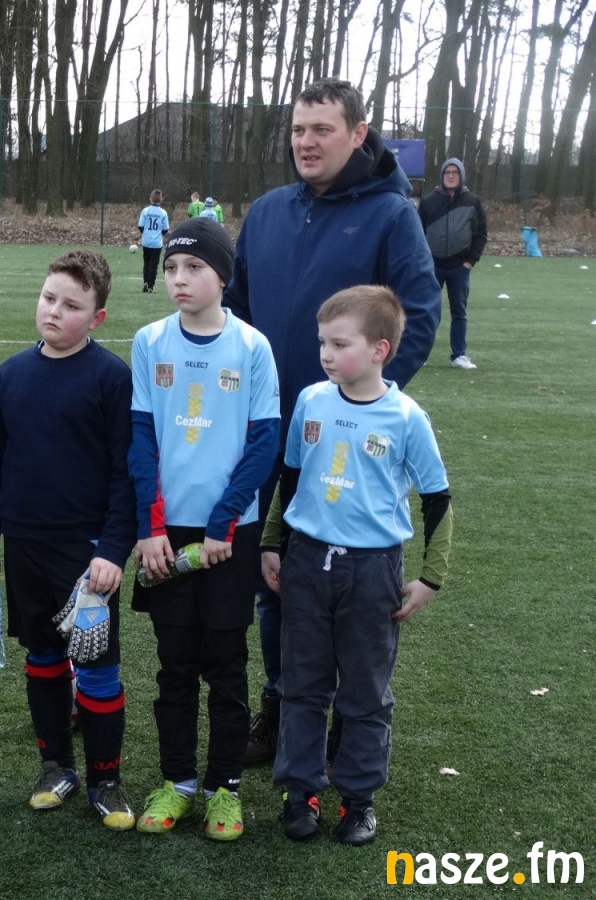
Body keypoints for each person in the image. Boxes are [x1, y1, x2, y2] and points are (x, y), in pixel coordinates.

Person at [222, 77, 441, 766]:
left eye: (322, 129)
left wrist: (361, 405)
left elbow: (417, 316)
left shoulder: (390, 215)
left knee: (352, 590)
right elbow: (236, 315)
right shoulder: (267, 212)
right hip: (269, 437)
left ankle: (350, 720)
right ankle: (282, 710)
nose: (306, 142)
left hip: (343, 447)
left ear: (358, 133)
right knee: (277, 580)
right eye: (298, 129)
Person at [261, 285, 453, 845]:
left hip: (372, 572)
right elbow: (290, 476)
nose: (326, 354)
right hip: (306, 563)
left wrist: (431, 576)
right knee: (301, 685)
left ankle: (358, 799)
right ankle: (301, 792)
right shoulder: (311, 401)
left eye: (339, 344)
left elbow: (438, 498)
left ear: (379, 349)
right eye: (322, 342)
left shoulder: (406, 417)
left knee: (366, 692)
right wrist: (272, 542)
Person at [0, 250, 138, 831]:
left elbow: (124, 474)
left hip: (87, 556)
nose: (54, 312)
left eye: (71, 305)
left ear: (97, 318)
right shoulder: (11, 374)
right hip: (25, 547)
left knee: (95, 666)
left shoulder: (110, 377)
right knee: (42, 658)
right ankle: (56, 768)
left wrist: (112, 550)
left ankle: (106, 779)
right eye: (49, 298)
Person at [128, 218, 280, 841]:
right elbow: (142, 438)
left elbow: (264, 441)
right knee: (173, 665)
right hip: (166, 532)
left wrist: (224, 523)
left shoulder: (252, 347)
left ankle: (224, 788)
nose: (179, 279)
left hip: (229, 534)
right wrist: (150, 527)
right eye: (170, 267)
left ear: (222, 275)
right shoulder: (149, 341)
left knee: (225, 663)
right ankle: (178, 782)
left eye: (193, 267)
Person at [418, 158, 488, 370]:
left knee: (459, 312)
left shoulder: (473, 201)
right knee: (428, 311)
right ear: (442, 176)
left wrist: (470, 261)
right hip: (433, 266)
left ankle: (459, 355)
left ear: (461, 176)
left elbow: (481, 234)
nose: (450, 175)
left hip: (460, 267)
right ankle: (420, 354)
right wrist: (423, 260)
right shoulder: (429, 201)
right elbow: (417, 233)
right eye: (447, 172)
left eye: (454, 172)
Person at [137, 189, 169, 293]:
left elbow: (141, 226)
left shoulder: (145, 211)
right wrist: (158, 234)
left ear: (150, 198)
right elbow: (165, 229)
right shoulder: (163, 212)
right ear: (161, 200)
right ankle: (151, 286)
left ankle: (145, 282)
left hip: (146, 241)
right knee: (154, 265)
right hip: (157, 243)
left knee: (146, 262)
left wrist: (147, 233)